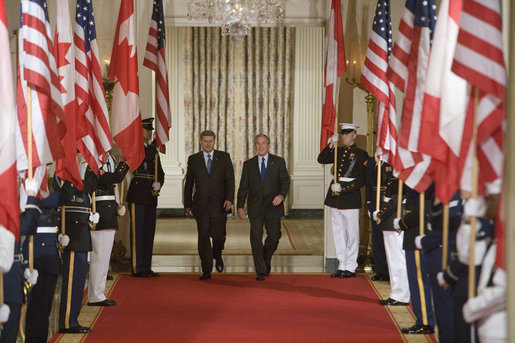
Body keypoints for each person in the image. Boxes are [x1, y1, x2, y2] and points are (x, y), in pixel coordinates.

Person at [24, 165, 71, 343]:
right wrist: (68, 171)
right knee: (38, 309)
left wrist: (59, 236)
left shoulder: (43, 193)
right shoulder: (33, 194)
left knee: (44, 310)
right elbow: (62, 197)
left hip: (49, 257)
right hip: (39, 259)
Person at [237, 134, 290, 281]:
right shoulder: (249, 164)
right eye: (258, 144)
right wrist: (240, 206)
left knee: (274, 236)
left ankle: (265, 259)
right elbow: (243, 187)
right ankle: (260, 270)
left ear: (268, 145)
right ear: (255, 146)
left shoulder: (278, 162)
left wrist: (281, 196)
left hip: (273, 206)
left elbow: (285, 181)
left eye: (263, 143)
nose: (261, 146)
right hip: (255, 207)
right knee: (255, 238)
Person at [317, 123, 368, 278]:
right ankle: (342, 264)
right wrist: (331, 145)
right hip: (335, 197)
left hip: (349, 197)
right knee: (338, 232)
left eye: (347, 134)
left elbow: (362, 179)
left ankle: (351, 266)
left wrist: (345, 188)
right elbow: (322, 159)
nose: (344, 136)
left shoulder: (361, 154)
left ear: (354, 135)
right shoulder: (338, 151)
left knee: (352, 233)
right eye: (342, 134)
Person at [184, 130, 235, 280]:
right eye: (205, 141)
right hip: (201, 205)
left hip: (220, 205)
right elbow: (189, 184)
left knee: (219, 236)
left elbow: (230, 181)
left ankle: (217, 254)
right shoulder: (193, 159)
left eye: (210, 141)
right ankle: (206, 270)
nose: (208, 144)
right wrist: (187, 204)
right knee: (204, 237)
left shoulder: (224, 157)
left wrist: (229, 199)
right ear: (200, 142)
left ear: (214, 141)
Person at [57, 152, 99, 334]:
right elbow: (65, 193)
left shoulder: (85, 168)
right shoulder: (63, 169)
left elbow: (90, 186)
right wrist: (75, 171)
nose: (81, 155)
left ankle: (72, 319)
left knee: (80, 277)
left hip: (83, 227)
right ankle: (67, 321)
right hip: (72, 227)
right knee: (72, 279)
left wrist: (83, 170)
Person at [1, 178, 41, 343]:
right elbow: (24, 227)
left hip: (12, 285)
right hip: (5, 288)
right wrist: (31, 197)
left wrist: (24, 265)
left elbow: (20, 237)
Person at [88, 151, 129, 305]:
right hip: (100, 211)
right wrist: (124, 162)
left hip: (108, 211)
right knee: (99, 257)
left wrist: (118, 205)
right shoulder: (93, 163)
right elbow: (114, 178)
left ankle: (99, 293)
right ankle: (95, 295)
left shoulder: (108, 161)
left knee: (104, 257)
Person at [394, 186, 435, 335]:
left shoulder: (422, 185)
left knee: (418, 282)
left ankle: (425, 321)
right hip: (415, 235)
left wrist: (401, 223)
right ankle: (423, 319)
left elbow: (420, 212)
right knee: (417, 282)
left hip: (417, 235)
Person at [127, 118, 165, 277]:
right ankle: (137, 267)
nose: (149, 132)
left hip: (150, 195)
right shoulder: (134, 148)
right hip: (138, 194)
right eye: (146, 129)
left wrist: (159, 183)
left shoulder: (152, 150)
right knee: (138, 232)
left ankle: (146, 265)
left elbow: (160, 172)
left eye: (150, 129)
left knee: (149, 232)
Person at [373, 176, 410, 307]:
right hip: (395, 225)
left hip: (394, 225)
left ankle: (400, 295)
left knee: (397, 261)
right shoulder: (400, 180)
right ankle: (398, 293)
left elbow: (394, 203)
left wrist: (379, 215)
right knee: (397, 261)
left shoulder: (401, 181)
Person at [365, 157, 389, 281]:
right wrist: (369, 203)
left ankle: (390, 270)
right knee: (377, 238)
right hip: (375, 202)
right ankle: (380, 270)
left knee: (388, 239)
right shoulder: (371, 162)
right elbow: (369, 184)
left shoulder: (393, 159)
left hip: (388, 204)